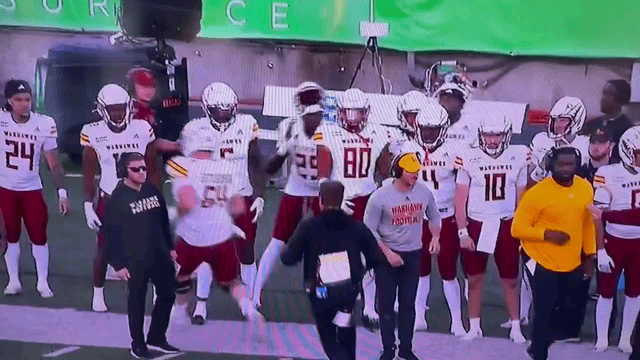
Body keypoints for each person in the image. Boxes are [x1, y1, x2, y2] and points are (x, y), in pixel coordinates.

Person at [178, 82, 265, 324]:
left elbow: (256, 161)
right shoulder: (194, 130)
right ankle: (201, 305)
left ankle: (251, 302)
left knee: (247, 252)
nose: (224, 114)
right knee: (208, 251)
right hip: (211, 200)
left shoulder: (247, 124)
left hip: (242, 195)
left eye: (228, 109)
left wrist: (259, 194)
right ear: (207, 108)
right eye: (219, 109)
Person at [165, 132, 265, 332]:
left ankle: (180, 310)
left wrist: (173, 213)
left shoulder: (183, 165)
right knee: (231, 281)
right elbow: (237, 207)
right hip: (221, 236)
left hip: (192, 237)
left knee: (179, 275)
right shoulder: (227, 168)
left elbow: (189, 202)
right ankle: (248, 307)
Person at [280, 180, 387, 360]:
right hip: (347, 292)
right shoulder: (356, 226)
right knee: (345, 329)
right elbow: (376, 258)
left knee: (328, 336)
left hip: (320, 293)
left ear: (320, 200)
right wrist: (363, 270)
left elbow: (287, 258)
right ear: (341, 200)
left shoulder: (309, 227)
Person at [315, 87, 392, 326]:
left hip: (366, 198)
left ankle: (369, 307)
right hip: (340, 198)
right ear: (340, 111)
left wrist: (389, 163)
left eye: (357, 112)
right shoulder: (328, 132)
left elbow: (383, 171)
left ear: (366, 112)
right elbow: (323, 173)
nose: (353, 117)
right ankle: (339, 306)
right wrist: (331, 201)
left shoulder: (379, 133)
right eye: (348, 112)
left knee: (368, 255)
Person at [511, 146, 596, 360]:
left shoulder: (585, 188)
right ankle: (538, 353)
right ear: (551, 166)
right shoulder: (537, 194)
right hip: (540, 258)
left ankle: (541, 342)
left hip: (572, 260)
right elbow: (517, 229)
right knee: (544, 309)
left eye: (571, 164)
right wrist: (546, 234)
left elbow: (587, 224)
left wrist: (590, 255)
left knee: (571, 314)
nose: (566, 169)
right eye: (561, 165)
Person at [80, 84, 159, 312]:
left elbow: (153, 168)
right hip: (110, 199)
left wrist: (156, 200)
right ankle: (97, 294)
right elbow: (88, 171)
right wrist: (87, 205)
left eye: (121, 108)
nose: (117, 114)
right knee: (105, 250)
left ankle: (155, 294)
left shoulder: (142, 128)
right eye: (112, 109)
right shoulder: (93, 131)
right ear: (103, 109)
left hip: (139, 198)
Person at [389, 102, 466, 336]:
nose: (428, 133)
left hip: (445, 217)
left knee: (448, 271)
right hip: (417, 218)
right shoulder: (407, 147)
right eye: (425, 129)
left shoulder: (456, 149)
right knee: (419, 269)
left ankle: (457, 322)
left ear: (443, 129)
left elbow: (464, 185)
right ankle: (419, 316)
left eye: (433, 129)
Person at [454, 115, 529, 342]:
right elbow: (460, 200)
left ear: (505, 135)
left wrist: (521, 229)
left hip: (506, 222)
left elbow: (522, 198)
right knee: (474, 278)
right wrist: (462, 231)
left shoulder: (518, 155)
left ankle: (516, 326)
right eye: (488, 134)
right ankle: (474, 326)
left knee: (511, 279)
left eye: (496, 134)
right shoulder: (469, 156)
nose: (492, 140)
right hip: (477, 222)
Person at [253, 81, 325, 308]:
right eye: (307, 99)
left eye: (313, 99)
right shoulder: (289, 127)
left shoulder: (331, 128)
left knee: (328, 243)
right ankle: (255, 293)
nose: (310, 104)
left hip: (323, 189)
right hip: (297, 187)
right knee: (277, 240)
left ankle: (325, 292)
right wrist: (285, 149)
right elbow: (272, 167)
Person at [364, 152, 442, 360]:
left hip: (412, 255)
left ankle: (406, 348)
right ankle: (388, 347)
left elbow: (434, 216)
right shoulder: (380, 197)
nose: (415, 175)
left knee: (409, 304)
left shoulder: (424, 193)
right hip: (386, 255)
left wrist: (435, 238)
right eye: (411, 171)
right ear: (398, 172)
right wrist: (388, 253)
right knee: (386, 304)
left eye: (417, 171)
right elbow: (369, 230)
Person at [103, 152, 179, 358]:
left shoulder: (151, 190)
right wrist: (117, 265)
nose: (142, 172)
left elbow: (163, 221)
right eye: (136, 169)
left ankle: (156, 337)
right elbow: (108, 235)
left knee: (168, 293)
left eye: (144, 168)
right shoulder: (117, 199)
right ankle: (138, 344)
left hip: (160, 254)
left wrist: (171, 248)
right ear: (123, 172)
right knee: (137, 301)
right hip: (134, 259)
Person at [0, 79, 70, 298]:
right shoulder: (1, 120)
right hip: (6, 188)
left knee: (39, 236)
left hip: (31, 189)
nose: (24, 104)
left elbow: (54, 164)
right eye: (19, 99)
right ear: (9, 101)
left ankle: (42, 282)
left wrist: (62, 193)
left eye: (27, 99)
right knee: (10, 236)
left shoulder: (44, 123)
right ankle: (14, 281)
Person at [592, 126, 640, 354]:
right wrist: (600, 249)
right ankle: (602, 338)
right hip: (614, 239)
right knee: (606, 291)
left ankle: (625, 338)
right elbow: (596, 216)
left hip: (638, 242)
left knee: (635, 292)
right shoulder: (609, 174)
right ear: (628, 151)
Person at [529, 96, 590, 187]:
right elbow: (529, 183)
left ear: (576, 121)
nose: (557, 125)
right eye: (554, 120)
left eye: (562, 120)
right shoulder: (540, 139)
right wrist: (542, 167)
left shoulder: (585, 145)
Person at [581, 79, 634, 163]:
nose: (603, 98)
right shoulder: (591, 125)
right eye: (604, 93)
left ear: (621, 99)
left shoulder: (627, 130)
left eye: (608, 94)